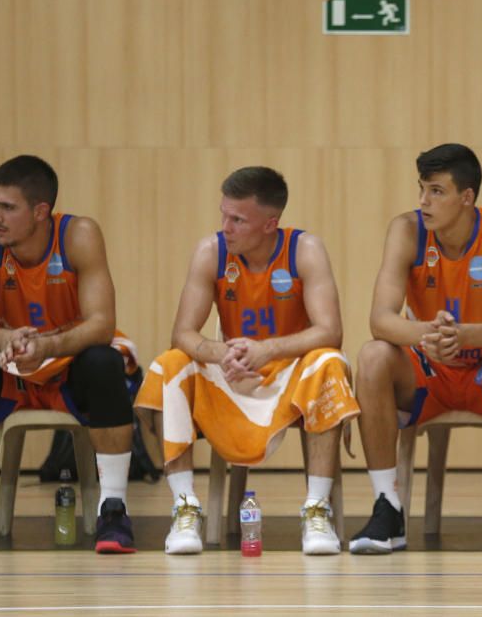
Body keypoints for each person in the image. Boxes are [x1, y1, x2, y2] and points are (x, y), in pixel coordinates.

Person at [0, 155, 139, 554]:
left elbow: (101, 324)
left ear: (40, 212)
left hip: (67, 365)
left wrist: (48, 345)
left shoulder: (78, 235)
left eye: (7, 207)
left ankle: (114, 509)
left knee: (106, 361)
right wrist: (2, 341)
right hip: (9, 370)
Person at [135, 166, 358, 556]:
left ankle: (316, 510)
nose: (226, 226)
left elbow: (330, 330)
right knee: (170, 363)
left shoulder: (305, 250)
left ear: (271, 223)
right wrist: (222, 354)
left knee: (329, 362)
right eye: (223, 214)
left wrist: (267, 349)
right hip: (233, 372)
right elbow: (183, 333)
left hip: (288, 371)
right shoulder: (211, 252)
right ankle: (185, 507)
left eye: (237, 219)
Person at [349, 143, 482, 557]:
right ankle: (387, 506)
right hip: (429, 372)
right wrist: (428, 335)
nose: (423, 201)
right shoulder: (406, 230)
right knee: (371, 355)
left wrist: (464, 337)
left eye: (436, 191)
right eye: (422, 188)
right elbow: (380, 319)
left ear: (467, 197)